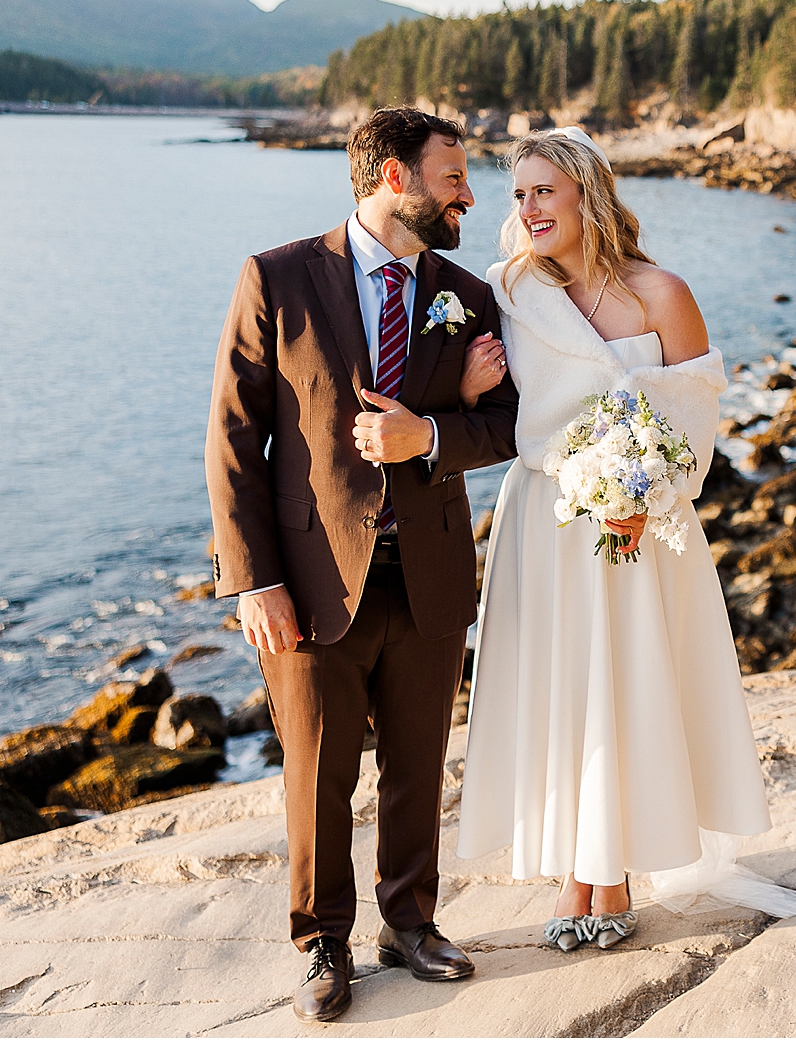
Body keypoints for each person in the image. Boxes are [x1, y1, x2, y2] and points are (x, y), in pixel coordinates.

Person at [454, 127, 796, 950]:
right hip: (542, 523)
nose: (529, 208)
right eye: (519, 195)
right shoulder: (511, 291)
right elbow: (487, 404)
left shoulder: (662, 293)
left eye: (544, 190)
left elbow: (696, 418)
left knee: (624, 688)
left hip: (636, 527)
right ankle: (579, 867)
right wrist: (468, 390)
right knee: (565, 694)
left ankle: (606, 875)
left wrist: (648, 496)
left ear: (587, 192)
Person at [203, 107, 518, 1022]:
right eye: (451, 175)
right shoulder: (276, 278)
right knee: (317, 769)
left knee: (419, 762)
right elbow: (233, 438)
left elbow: (505, 426)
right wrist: (253, 579)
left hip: (430, 573)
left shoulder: (469, 293)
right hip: (309, 581)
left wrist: (429, 432)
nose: (467, 192)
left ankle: (410, 922)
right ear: (394, 178)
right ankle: (321, 940)